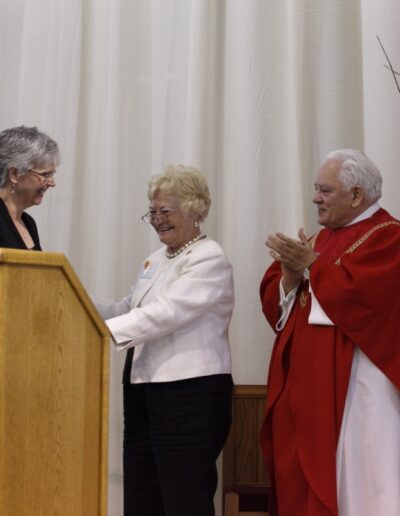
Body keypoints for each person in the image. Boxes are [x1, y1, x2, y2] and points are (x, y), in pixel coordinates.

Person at [259, 149, 400, 516]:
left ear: (356, 195)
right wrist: (290, 276)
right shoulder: (320, 241)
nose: (315, 198)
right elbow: (288, 305)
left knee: (359, 481)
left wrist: (311, 267)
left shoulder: (389, 238)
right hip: (309, 386)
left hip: (358, 385)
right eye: (316, 189)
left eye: (325, 190)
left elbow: (363, 299)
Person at [93, 165, 234, 516]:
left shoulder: (209, 258)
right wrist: (76, 299)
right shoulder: (155, 260)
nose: (158, 220)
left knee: (184, 496)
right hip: (145, 389)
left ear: (195, 209)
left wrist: (108, 331)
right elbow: (127, 308)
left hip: (191, 394)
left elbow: (168, 313)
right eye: (152, 212)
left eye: (166, 211)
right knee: (143, 492)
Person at [0, 125, 60, 250]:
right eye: (45, 174)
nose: (52, 183)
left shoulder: (29, 223)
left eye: (52, 174)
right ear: (14, 174)